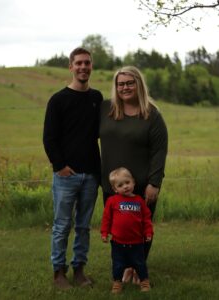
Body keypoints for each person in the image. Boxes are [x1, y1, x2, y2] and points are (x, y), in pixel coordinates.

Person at [99, 66, 168, 283]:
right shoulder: (105, 109)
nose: (125, 87)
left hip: (142, 186)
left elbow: (159, 151)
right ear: (115, 86)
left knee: (139, 229)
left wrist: (154, 183)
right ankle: (124, 266)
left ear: (138, 84)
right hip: (112, 187)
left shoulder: (152, 115)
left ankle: (138, 267)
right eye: (121, 84)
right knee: (118, 229)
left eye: (130, 83)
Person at [43, 47, 103, 290]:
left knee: (83, 227)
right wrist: (60, 167)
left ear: (91, 66)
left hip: (91, 175)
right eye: (78, 63)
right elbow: (49, 138)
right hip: (66, 175)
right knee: (61, 226)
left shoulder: (97, 98)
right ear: (70, 66)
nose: (83, 67)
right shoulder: (58, 100)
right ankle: (59, 273)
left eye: (87, 63)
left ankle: (79, 270)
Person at [101, 167, 153, 294]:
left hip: (137, 242)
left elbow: (146, 219)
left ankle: (144, 282)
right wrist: (104, 232)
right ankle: (117, 283)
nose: (125, 186)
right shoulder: (112, 201)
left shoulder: (140, 201)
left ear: (133, 182)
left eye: (127, 182)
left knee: (140, 263)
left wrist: (148, 232)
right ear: (115, 189)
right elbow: (106, 218)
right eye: (120, 185)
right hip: (118, 243)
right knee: (118, 264)